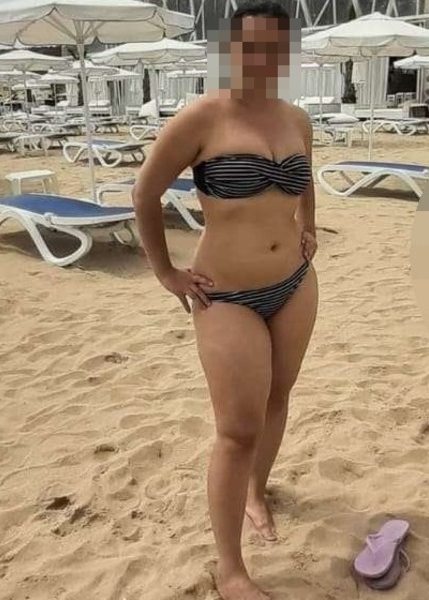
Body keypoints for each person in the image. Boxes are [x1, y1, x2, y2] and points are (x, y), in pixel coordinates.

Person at [131, 2, 318, 599]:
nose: (262, 58)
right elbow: (145, 193)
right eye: (250, 46)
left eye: (274, 48)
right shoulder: (201, 118)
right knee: (237, 429)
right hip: (227, 294)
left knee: (278, 397)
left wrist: (309, 224)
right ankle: (231, 569)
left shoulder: (295, 118)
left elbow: (306, 177)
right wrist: (165, 272)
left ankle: (257, 491)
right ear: (230, 49)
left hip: (295, 282)